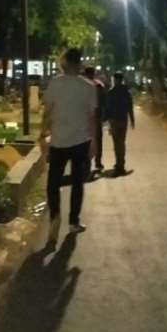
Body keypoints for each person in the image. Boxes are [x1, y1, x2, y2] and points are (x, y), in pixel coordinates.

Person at [41, 48, 99, 245]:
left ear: (64, 62)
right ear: (80, 63)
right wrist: (94, 143)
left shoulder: (55, 84)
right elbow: (92, 119)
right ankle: (74, 221)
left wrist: (43, 135)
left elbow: (47, 112)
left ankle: (55, 216)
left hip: (58, 141)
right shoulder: (89, 86)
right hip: (81, 141)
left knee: (53, 183)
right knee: (77, 182)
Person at [106, 71, 135, 174]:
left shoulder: (111, 92)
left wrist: (106, 120)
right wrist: (132, 120)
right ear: (122, 79)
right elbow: (130, 107)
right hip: (123, 120)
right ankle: (121, 163)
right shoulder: (126, 92)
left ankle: (118, 163)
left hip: (114, 121)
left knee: (116, 143)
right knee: (122, 143)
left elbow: (107, 108)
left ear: (114, 79)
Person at [83, 66, 107, 173]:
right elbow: (104, 102)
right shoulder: (99, 85)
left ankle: (86, 162)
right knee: (98, 140)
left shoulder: (81, 85)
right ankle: (98, 161)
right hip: (96, 117)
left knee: (85, 140)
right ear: (94, 74)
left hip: (84, 117)